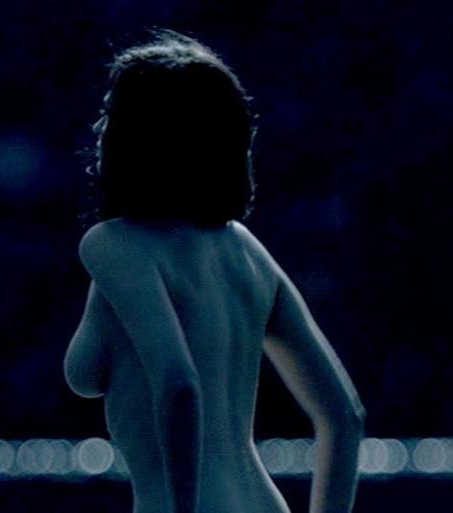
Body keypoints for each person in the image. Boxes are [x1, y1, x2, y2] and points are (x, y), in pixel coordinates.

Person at [63, 30, 366, 513]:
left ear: (140, 134)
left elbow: (179, 385)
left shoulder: (114, 244)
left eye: (111, 111)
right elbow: (344, 417)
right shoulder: (246, 252)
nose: (100, 126)